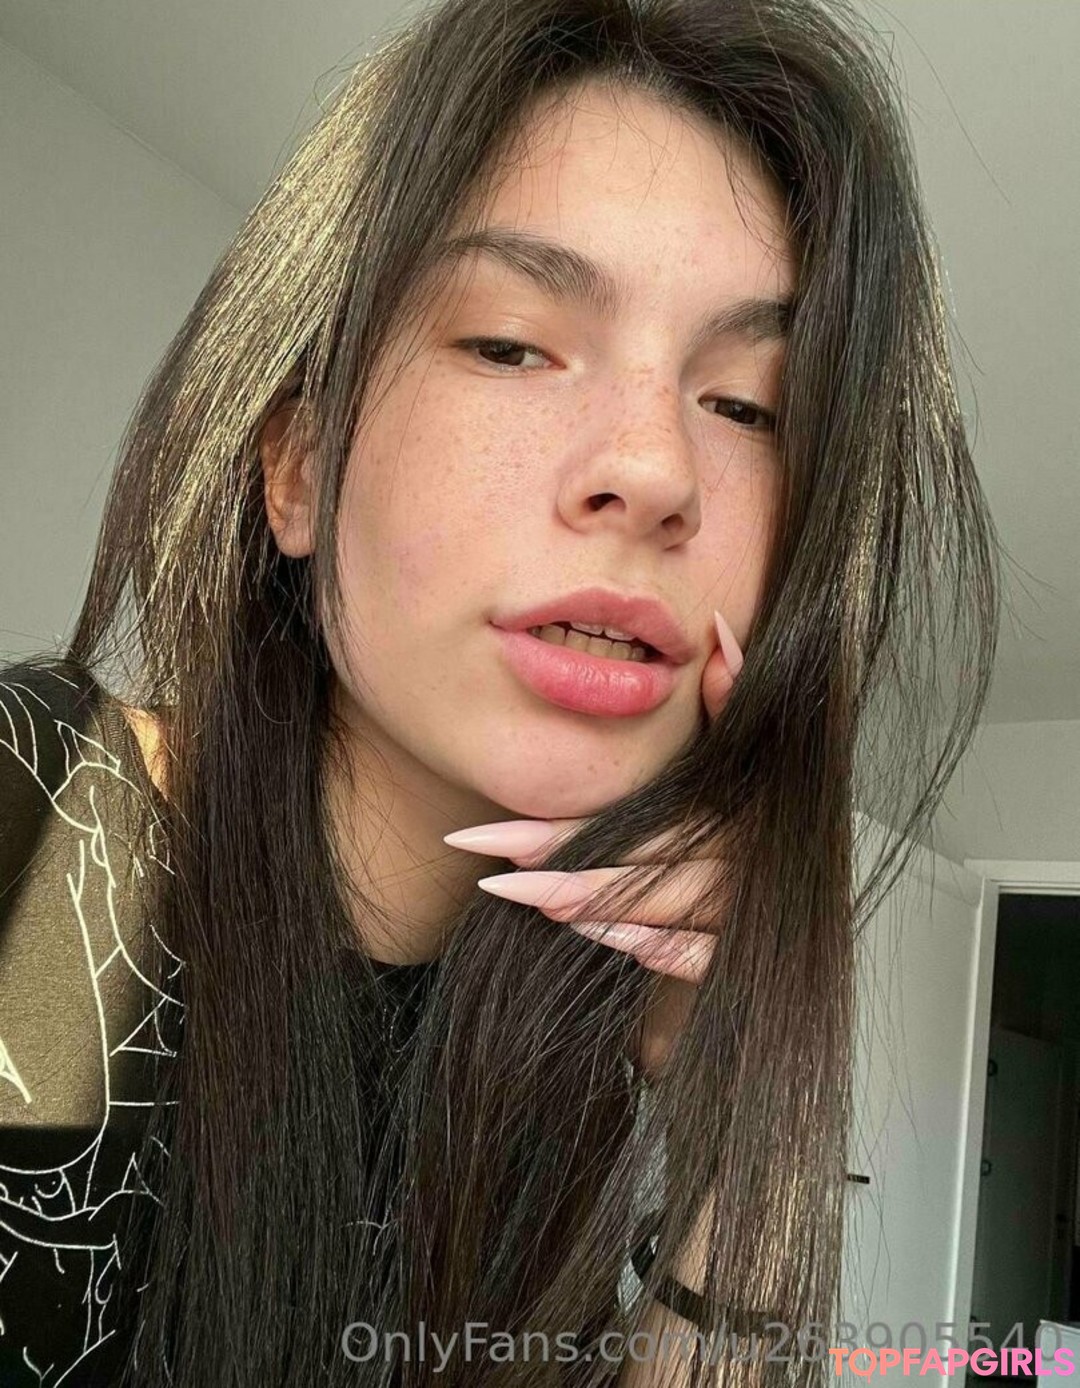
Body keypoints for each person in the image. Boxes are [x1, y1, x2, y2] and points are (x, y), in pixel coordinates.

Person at [0, 0, 1002, 1383]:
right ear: (297, 470)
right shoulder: (40, 834)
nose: (654, 471)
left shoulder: (582, 1046)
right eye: (512, 345)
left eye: (747, 407)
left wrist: (746, 1106)